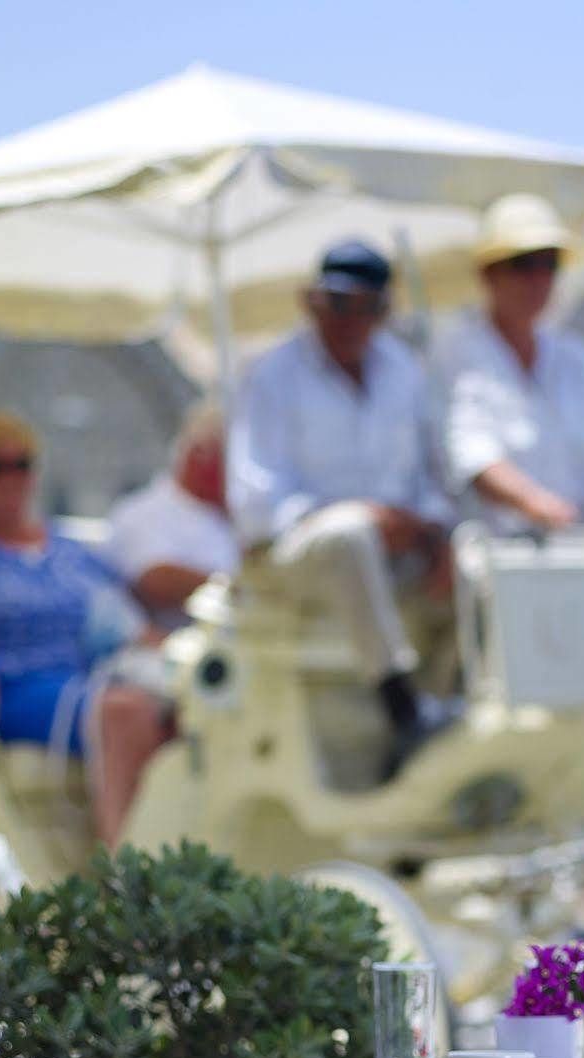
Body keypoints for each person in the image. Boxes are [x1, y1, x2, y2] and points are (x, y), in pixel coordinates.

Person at [228, 239, 455, 774]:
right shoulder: (271, 376)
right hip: (294, 555)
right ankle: (403, 709)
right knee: (349, 535)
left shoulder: (406, 373)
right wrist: (368, 516)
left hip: (393, 551)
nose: (349, 320)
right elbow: (259, 504)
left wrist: (434, 533)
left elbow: (433, 477)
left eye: (364, 307)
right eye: (337, 304)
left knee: (477, 558)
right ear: (313, 304)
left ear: (382, 312)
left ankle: (453, 705)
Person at [0, 410, 166, 846]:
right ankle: (125, 866)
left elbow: (123, 618)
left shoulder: (68, 549)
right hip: (15, 689)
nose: (10, 478)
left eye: (20, 464)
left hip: (93, 677)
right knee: (125, 711)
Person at [436, 192, 584, 531]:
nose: (538, 279)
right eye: (523, 264)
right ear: (488, 274)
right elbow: (472, 455)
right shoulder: (454, 356)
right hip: (499, 551)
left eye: (549, 264)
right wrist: (537, 506)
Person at [105, 401, 239, 631]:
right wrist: (242, 590)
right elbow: (157, 581)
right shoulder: (142, 512)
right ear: (201, 455)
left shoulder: (234, 518)